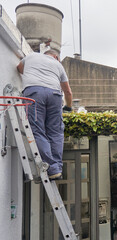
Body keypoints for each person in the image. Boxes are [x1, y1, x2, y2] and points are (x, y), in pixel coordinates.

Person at [17, 49, 73, 180]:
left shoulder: (31, 56)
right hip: (55, 95)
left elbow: (19, 68)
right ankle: (57, 168)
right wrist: (68, 107)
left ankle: (52, 167)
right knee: (56, 132)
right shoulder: (58, 65)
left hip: (34, 93)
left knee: (37, 129)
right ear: (55, 56)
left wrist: (32, 73)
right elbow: (68, 92)